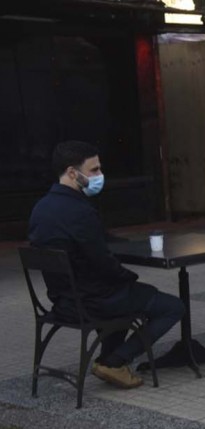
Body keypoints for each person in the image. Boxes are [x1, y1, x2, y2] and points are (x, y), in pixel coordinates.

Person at [28, 141, 185, 389]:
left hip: (63, 300)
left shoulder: (41, 208)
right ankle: (114, 361)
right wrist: (128, 276)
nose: (100, 176)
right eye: (94, 170)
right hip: (92, 301)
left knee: (127, 296)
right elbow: (102, 262)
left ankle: (108, 361)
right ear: (72, 172)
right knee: (172, 307)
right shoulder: (79, 211)